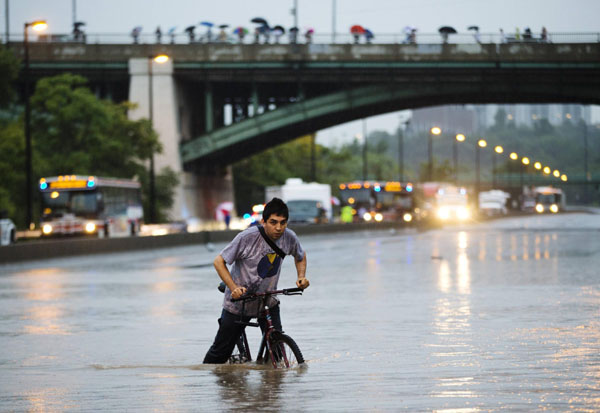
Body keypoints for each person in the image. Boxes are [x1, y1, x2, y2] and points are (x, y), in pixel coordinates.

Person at [203, 198, 309, 364]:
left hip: (267, 300)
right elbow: (219, 261)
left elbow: (300, 256)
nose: (278, 228)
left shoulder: (289, 237)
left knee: (277, 350)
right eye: (273, 222)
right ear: (263, 221)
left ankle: (270, 382)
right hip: (239, 302)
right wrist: (234, 288)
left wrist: (301, 277)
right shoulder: (247, 237)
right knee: (218, 355)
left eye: (283, 223)